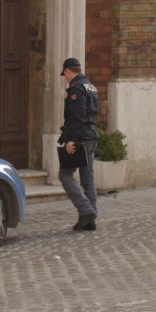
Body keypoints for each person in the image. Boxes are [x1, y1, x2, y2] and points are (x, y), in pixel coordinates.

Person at [57, 57, 99, 231]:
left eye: (64, 74)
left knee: (65, 175)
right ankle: (90, 220)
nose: (65, 78)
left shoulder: (75, 88)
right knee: (88, 180)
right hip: (91, 138)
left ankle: (86, 209)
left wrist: (71, 140)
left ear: (68, 71)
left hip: (80, 139)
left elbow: (78, 117)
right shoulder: (91, 86)